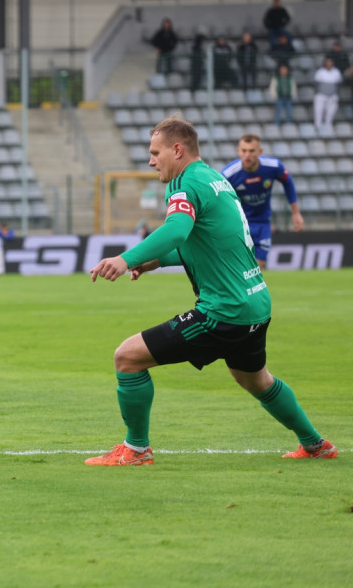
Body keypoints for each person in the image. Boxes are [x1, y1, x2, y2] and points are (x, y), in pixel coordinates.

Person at [86, 117, 335, 466]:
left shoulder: (184, 184)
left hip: (225, 310)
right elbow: (206, 244)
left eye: (155, 152)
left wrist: (126, 259)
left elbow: (175, 231)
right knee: (257, 380)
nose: (150, 161)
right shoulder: (216, 178)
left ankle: (136, 450)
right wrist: (155, 262)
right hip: (256, 303)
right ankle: (315, 444)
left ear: (177, 149)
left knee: (127, 359)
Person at [220, 133, 302, 270]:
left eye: (251, 151)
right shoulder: (228, 174)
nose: (247, 155)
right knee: (240, 268)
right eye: (244, 150)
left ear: (260, 152)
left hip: (263, 223)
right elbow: (219, 199)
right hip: (239, 224)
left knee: (258, 268)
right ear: (238, 151)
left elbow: (288, 182)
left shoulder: (273, 166)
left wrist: (296, 213)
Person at [313, 56, 343, 132]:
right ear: (325, 63)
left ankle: (327, 127)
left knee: (330, 112)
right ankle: (318, 127)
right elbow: (316, 84)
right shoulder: (320, 72)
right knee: (319, 110)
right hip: (321, 94)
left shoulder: (336, 72)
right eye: (327, 62)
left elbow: (338, 84)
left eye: (330, 62)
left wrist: (335, 93)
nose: (329, 64)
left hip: (332, 95)